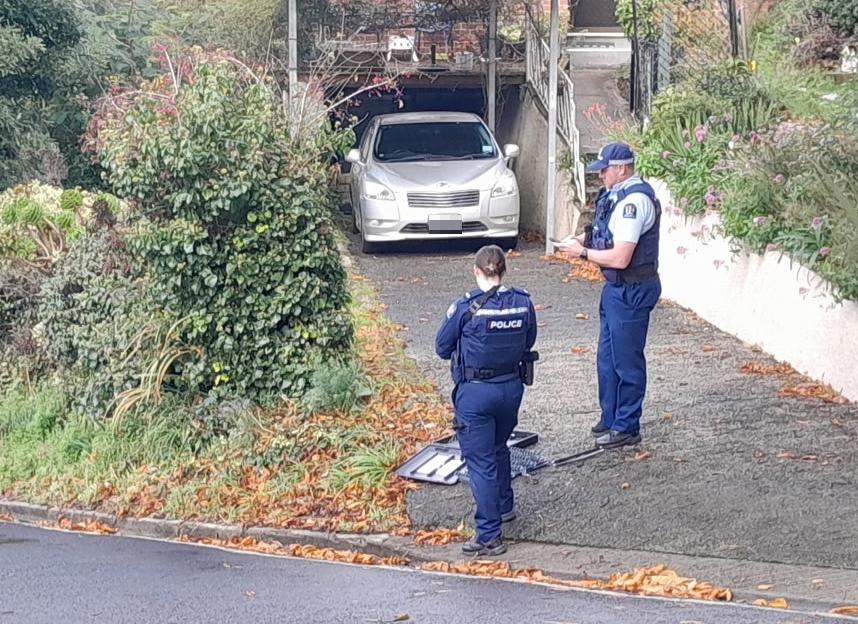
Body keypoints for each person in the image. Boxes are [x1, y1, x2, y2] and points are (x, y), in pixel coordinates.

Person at [554, 142, 661, 449]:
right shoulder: (613, 196)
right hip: (615, 289)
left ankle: (627, 426)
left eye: (604, 170)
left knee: (627, 361)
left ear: (622, 169)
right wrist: (575, 241)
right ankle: (611, 417)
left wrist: (584, 253)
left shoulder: (634, 202)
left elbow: (621, 257)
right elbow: (599, 231)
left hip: (632, 287)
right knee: (607, 358)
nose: (600, 175)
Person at [435, 245, 538, 556]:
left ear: (476, 271)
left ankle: (488, 535)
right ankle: (504, 506)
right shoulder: (523, 302)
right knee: (499, 447)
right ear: (504, 270)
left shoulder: (466, 307)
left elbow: (441, 347)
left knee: (480, 462)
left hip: (476, 393)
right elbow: (529, 340)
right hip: (511, 389)